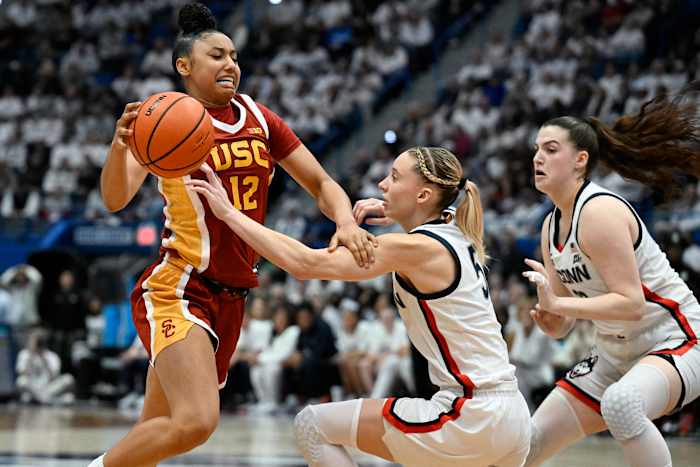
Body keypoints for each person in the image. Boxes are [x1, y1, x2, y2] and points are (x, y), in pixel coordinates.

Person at [90, 3, 374, 466]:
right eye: (217, 55)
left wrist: (344, 221)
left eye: (235, 56)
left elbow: (322, 183)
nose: (231, 65)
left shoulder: (258, 118)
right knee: (197, 422)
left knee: (156, 431)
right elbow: (115, 198)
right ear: (184, 66)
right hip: (180, 285)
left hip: (233, 294)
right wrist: (119, 146)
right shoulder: (165, 120)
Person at [188, 146, 531, 467]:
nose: (382, 183)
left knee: (313, 426)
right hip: (511, 415)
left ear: (423, 195)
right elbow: (437, 213)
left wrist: (229, 213)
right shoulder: (455, 234)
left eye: (395, 178)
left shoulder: (417, 248)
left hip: (472, 414)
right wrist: (399, 210)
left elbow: (304, 264)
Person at [522, 84, 700, 467]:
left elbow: (632, 304)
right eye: (537, 149)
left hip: (676, 339)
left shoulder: (599, 212)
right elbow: (565, 321)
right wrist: (553, 319)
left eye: (551, 149)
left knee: (622, 405)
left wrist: (561, 303)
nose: (538, 157)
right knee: (525, 446)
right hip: (613, 353)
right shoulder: (550, 225)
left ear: (580, 160)